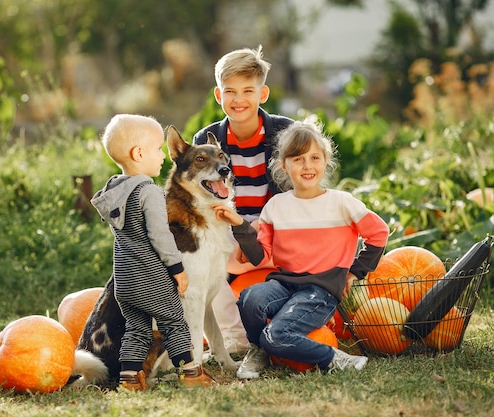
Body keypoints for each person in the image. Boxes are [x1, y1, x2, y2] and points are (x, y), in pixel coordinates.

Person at [212, 116, 389, 378]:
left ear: (325, 161)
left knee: (277, 336)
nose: (307, 166)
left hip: (321, 289)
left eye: (315, 158)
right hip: (285, 283)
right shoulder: (276, 206)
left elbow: (379, 233)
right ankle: (258, 350)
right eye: (298, 159)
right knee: (250, 299)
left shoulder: (342, 203)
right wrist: (239, 224)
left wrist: (354, 272)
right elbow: (260, 256)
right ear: (284, 165)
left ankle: (336, 358)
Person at [91, 114, 215, 390]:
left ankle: (130, 378)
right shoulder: (149, 192)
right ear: (138, 153)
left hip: (123, 281)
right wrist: (177, 270)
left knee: (137, 329)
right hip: (150, 278)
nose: (162, 156)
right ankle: (192, 373)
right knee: (175, 323)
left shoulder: (114, 190)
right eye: (158, 149)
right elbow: (160, 236)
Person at [193, 45, 294, 354]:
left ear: (262, 94)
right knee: (204, 263)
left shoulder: (285, 131)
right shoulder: (206, 141)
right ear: (218, 95)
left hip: (273, 228)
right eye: (230, 91)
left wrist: (258, 237)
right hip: (228, 227)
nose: (238, 100)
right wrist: (234, 238)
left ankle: (289, 314)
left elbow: (294, 196)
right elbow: (201, 198)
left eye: (248, 91)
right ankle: (234, 338)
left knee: (291, 259)